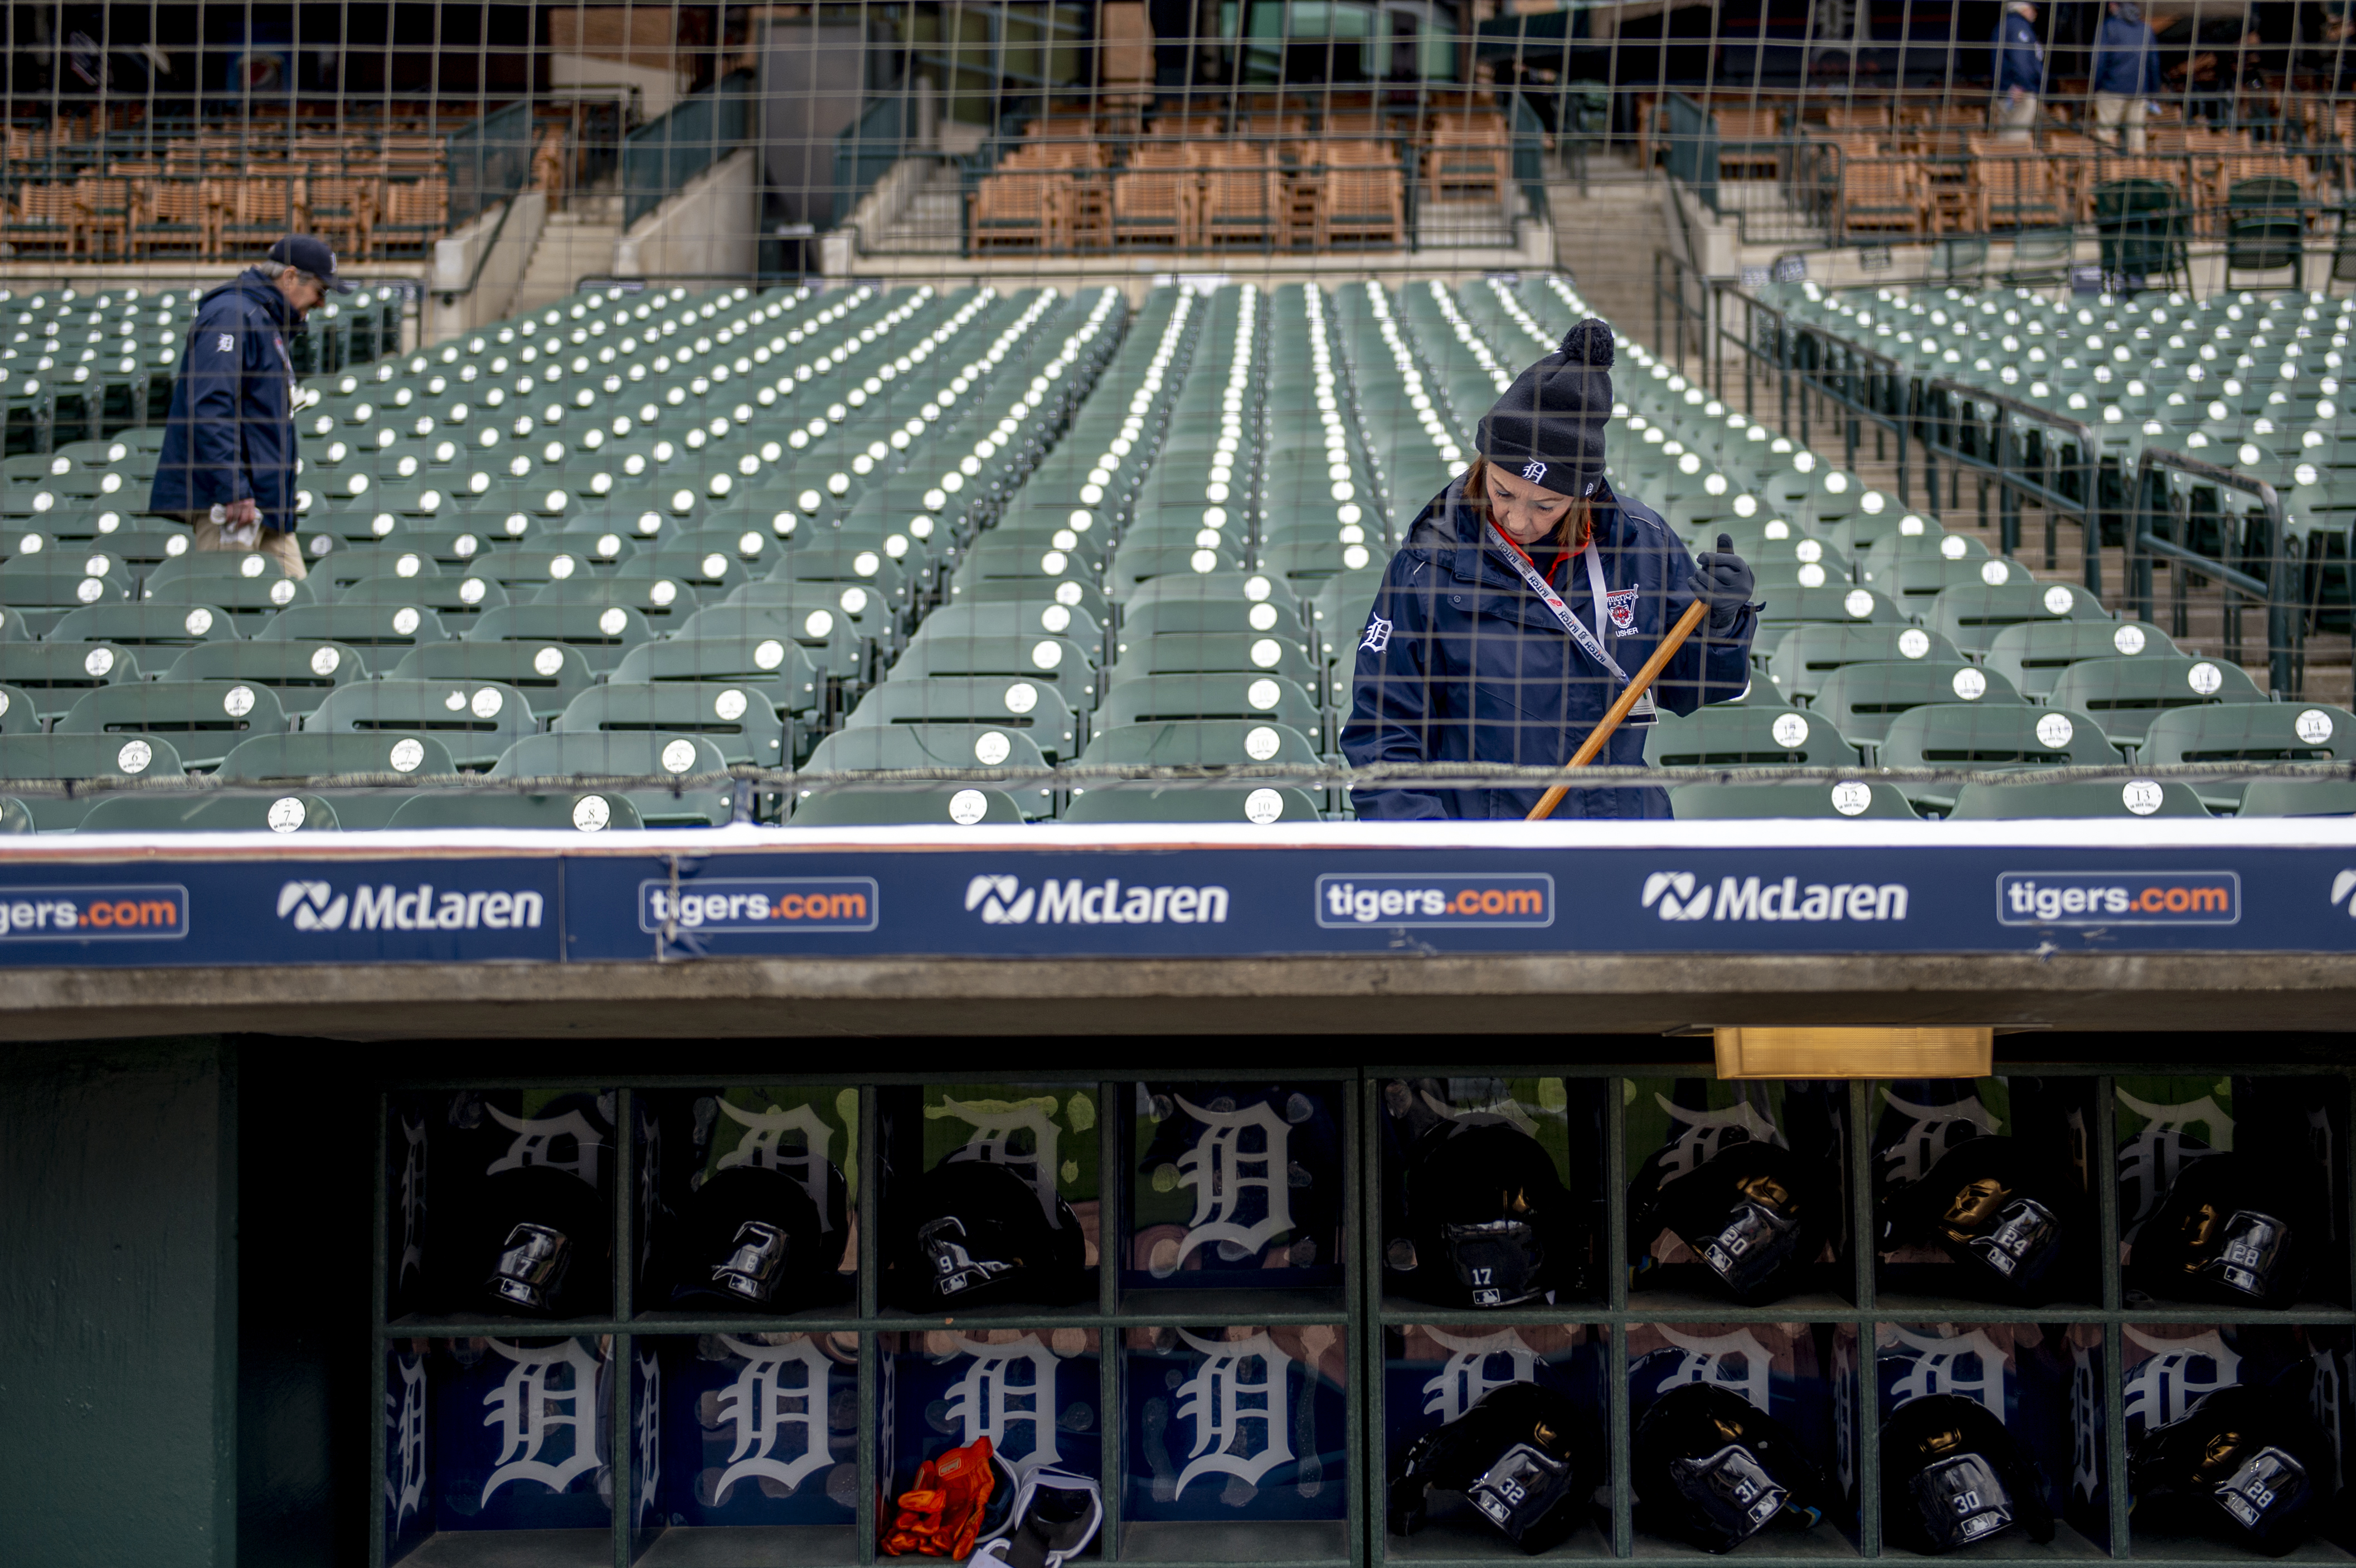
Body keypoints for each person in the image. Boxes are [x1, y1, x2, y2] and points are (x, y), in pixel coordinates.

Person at [1340, 319, 1757, 822]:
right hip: (1486, 852)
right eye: (1502, 491)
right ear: (1481, 466)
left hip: (1617, 836)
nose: (1517, 519)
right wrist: (1441, 856)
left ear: (1582, 495)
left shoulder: (1640, 543)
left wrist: (1720, 624)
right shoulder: (1429, 561)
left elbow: (1690, 688)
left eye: (1546, 504)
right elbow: (1382, 736)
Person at [147, 234, 353, 580]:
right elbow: (210, 407)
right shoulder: (233, 313)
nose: (321, 304)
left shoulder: (262, 318)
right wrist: (233, 489)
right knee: (230, 609)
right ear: (290, 277)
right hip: (232, 506)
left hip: (266, 504)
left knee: (295, 607)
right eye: (321, 291)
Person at [2092, 0, 2162, 152]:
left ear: (2115, 6)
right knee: (2136, 137)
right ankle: (2138, 172)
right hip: (2139, 91)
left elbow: (2099, 61)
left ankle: (2107, 172)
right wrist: (2153, 92)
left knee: (2106, 135)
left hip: (2111, 90)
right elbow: (2154, 65)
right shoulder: (2146, 30)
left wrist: (2096, 87)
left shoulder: (2108, 27)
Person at [1991, 0, 2046, 142]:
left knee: (2005, 139)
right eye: (2033, 9)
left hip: (2005, 90)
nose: (2035, 14)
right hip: (2019, 92)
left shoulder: (2003, 25)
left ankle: (2001, 165)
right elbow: (2020, 60)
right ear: (2023, 8)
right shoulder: (2018, 26)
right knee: (2017, 143)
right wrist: (2022, 85)